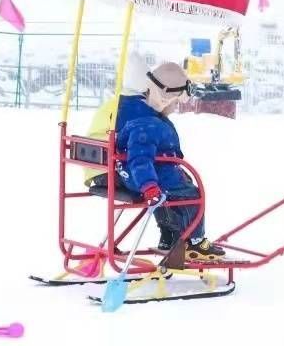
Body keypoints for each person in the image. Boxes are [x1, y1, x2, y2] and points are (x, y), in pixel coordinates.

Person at [89, 62, 226, 260]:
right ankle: (195, 242)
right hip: (148, 175)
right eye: (176, 102)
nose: (176, 107)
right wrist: (149, 185)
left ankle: (169, 237)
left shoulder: (137, 111)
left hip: (146, 173)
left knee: (167, 196)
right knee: (192, 196)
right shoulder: (147, 123)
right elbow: (140, 159)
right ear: (165, 98)